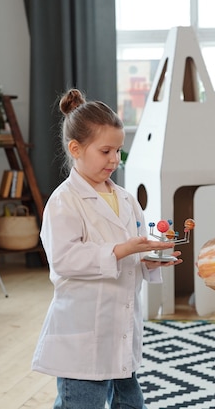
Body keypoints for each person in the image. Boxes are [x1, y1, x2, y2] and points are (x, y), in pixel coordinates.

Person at [32, 88, 182, 409]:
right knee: (83, 402)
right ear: (76, 149)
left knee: (130, 402)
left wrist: (149, 260)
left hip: (120, 328)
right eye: (105, 151)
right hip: (84, 331)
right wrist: (120, 249)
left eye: (118, 150)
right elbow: (64, 260)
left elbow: (132, 254)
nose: (115, 159)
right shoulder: (64, 202)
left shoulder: (126, 200)